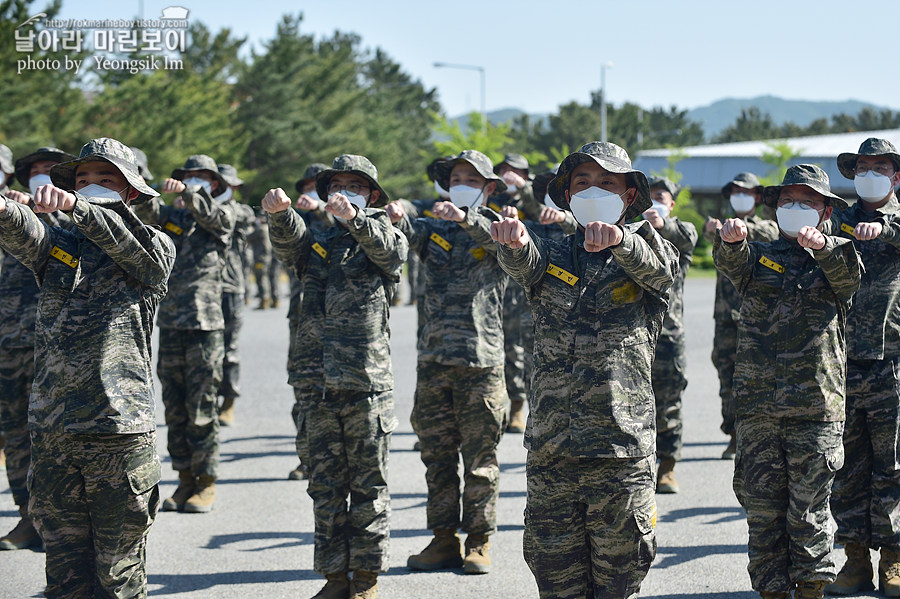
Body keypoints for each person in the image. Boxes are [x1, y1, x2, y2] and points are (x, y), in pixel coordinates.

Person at [490, 141, 676, 598]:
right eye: (582, 183)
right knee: (556, 581)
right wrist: (513, 243)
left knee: (618, 581)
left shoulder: (650, 249)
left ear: (629, 196)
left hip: (620, 448)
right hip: (554, 449)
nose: (593, 191)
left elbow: (662, 273)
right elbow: (525, 264)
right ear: (568, 195)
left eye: (607, 184)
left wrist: (622, 240)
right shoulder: (553, 254)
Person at [0, 137, 175, 597]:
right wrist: (6, 208)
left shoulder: (154, 244)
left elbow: (138, 255)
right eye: (82, 179)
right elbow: (24, 232)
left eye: (104, 178)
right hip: (55, 430)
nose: (90, 186)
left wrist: (80, 206)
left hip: (116, 431)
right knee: (65, 577)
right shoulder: (60, 242)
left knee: (117, 578)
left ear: (131, 191)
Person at [715, 164, 860, 599]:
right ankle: (772, 590)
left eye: (807, 202)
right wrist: (732, 240)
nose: (795, 208)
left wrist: (823, 250)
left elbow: (849, 279)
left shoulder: (841, 254)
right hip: (758, 408)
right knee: (762, 510)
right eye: (787, 201)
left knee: (810, 510)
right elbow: (732, 265)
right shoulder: (759, 256)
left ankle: (812, 588)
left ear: (826, 212)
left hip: (815, 409)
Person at [265, 154, 406, 599]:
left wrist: (356, 220)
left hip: (365, 383)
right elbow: (290, 248)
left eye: (357, 186)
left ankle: (365, 580)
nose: (345, 192)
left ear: (373, 195)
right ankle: (332, 577)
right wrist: (280, 214)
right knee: (324, 487)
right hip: (315, 381)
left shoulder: (384, 232)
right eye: (337, 185)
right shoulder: (319, 236)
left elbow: (392, 252)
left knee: (368, 488)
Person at [386, 150, 508, 575]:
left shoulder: (500, 226)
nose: (461, 183)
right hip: (434, 360)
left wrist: (465, 219)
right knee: (436, 458)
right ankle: (442, 539)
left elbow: (496, 244)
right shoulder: (432, 227)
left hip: (481, 363)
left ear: (489, 188)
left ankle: (479, 542)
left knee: (480, 459)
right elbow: (402, 233)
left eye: (472, 179)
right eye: (456, 177)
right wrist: (396, 214)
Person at [136, 154, 235, 514]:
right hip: (171, 324)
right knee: (175, 408)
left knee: (201, 409)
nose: (193, 182)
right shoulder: (173, 218)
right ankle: (184, 478)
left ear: (214, 184)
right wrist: (149, 191)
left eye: (201, 177)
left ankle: (206, 482)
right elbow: (148, 214)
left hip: (205, 327)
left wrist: (193, 195)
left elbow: (213, 216)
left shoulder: (225, 215)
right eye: (188, 177)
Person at [825, 138, 900, 596]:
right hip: (840, 361)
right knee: (847, 466)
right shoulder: (839, 219)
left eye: (880, 167)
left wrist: (885, 231)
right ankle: (854, 559)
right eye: (862, 167)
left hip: (891, 361)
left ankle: (893, 558)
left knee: (891, 463)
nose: (869, 173)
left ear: (895, 177)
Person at [0, 145, 75, 551]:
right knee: (15, 434)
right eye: (36, 170)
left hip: (55, 346)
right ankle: (27, 517)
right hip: (8, 343)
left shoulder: (70, 216)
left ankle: (61, 524)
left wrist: (45, 209)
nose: (42, 176)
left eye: (52, 170)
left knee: (55, 438)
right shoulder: (8, 209)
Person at [703, 173, 778, 459]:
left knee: (758, 380)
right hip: (725, 316)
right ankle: (733, 435)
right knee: (727, 377)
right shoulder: (720, 228)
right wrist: (715, 230)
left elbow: (767, 235)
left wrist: (735, 230)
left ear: (758, 197)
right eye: (735, 191)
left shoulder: (768, 227)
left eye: (746, 192)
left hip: (757, 316)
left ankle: (757, 436)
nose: (740, 196)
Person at [645, 176, 698, 493]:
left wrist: (661, 225)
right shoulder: (628, 230)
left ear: (671, 203)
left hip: (667, 335)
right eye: (647, 195)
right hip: (632, 335)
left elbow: (683, 236)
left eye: (660, 196)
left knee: (668, 405)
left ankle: (667, 467)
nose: (653, 201)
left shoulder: (681, 230)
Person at [287, 162, 332, 481]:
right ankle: (306, 457)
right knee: (304, 389)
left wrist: (321, 210)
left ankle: (328, 457)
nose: (311, 193)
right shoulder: (298, 221)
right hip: (304, 315)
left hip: (343, 322)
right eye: (307, 187)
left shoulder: (342, 217)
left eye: (319, 187)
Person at [216, 164, 255, 426]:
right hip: (202, 291)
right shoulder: (196, 208)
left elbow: (237, 218)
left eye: (230, 185)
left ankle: (228, 401)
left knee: (228, 349)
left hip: (230, 288)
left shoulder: (241, 211)